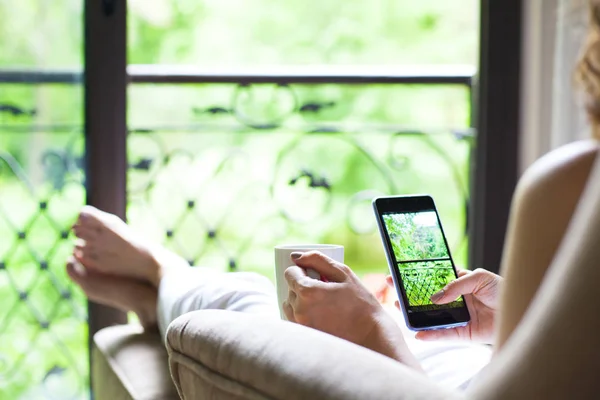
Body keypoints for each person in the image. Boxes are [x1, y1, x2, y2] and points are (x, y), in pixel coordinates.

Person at [67, 0, 600, 396]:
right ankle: (160, 290)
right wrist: (514, 312)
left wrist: (370, 330)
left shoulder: (573, 181)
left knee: (258, 305)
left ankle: (163, 273)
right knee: (400, 329)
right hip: (477, 366)